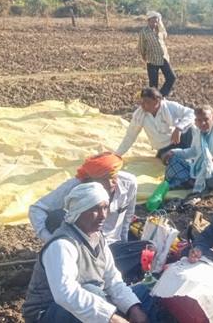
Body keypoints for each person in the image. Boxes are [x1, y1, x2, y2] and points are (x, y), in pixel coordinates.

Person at [23, 182, 157, 323]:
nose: (103, 215)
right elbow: (66, 294)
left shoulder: (97, 237)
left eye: (105, 208)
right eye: (95, 209)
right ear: (78, 211)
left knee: (150, 290)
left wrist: (133, 308)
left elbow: (113, 280)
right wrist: (110, 317)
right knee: (93, 292)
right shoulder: (62, 245)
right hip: (46, 314)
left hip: (90, 303)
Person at [28, 153, 150, 282]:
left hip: (110, 244)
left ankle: (93, 271)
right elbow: (36, 209)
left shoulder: (129, 183)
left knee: (148, 248)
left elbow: (127, 217)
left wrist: (124, 243)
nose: (112, 183)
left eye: (114, 177)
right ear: (91, 181)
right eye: (105, 179)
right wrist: (51, 240)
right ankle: (86, 270)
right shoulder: (75, 187)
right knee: (55, 218)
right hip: (81, 245)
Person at [163, 105, 213, 193]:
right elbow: (194, 151)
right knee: (173, 159)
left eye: (206, 119)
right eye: (199, 120)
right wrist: (173, 152)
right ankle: (196, 182)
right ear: (195, 121)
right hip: (198, 169)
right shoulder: (198, 132)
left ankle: (189, 182)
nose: (203, 123)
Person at [115, 87, 195, 159]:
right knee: (172, 159)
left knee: (194, 129)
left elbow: (191, 113)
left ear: (157, 100)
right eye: (142, 102)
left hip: (181, 139)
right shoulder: (139, 115)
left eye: (147, 102)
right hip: (165, 148)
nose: (143, 105)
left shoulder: (169, 106)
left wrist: (179, 128)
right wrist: (117, 154)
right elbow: (130, 136)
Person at [139, 11, 176, 97]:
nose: (154, 23)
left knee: (171, 77)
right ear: (148, 21)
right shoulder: (144, 32)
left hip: (163, 58)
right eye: (153, 21)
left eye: (156, 21)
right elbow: (141, 45)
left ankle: (161, 95)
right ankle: (153, 99)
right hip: (152, 59)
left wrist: (161, 24)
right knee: (153, 84)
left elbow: (165, 36)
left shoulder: (160, 30)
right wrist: (143, 55)